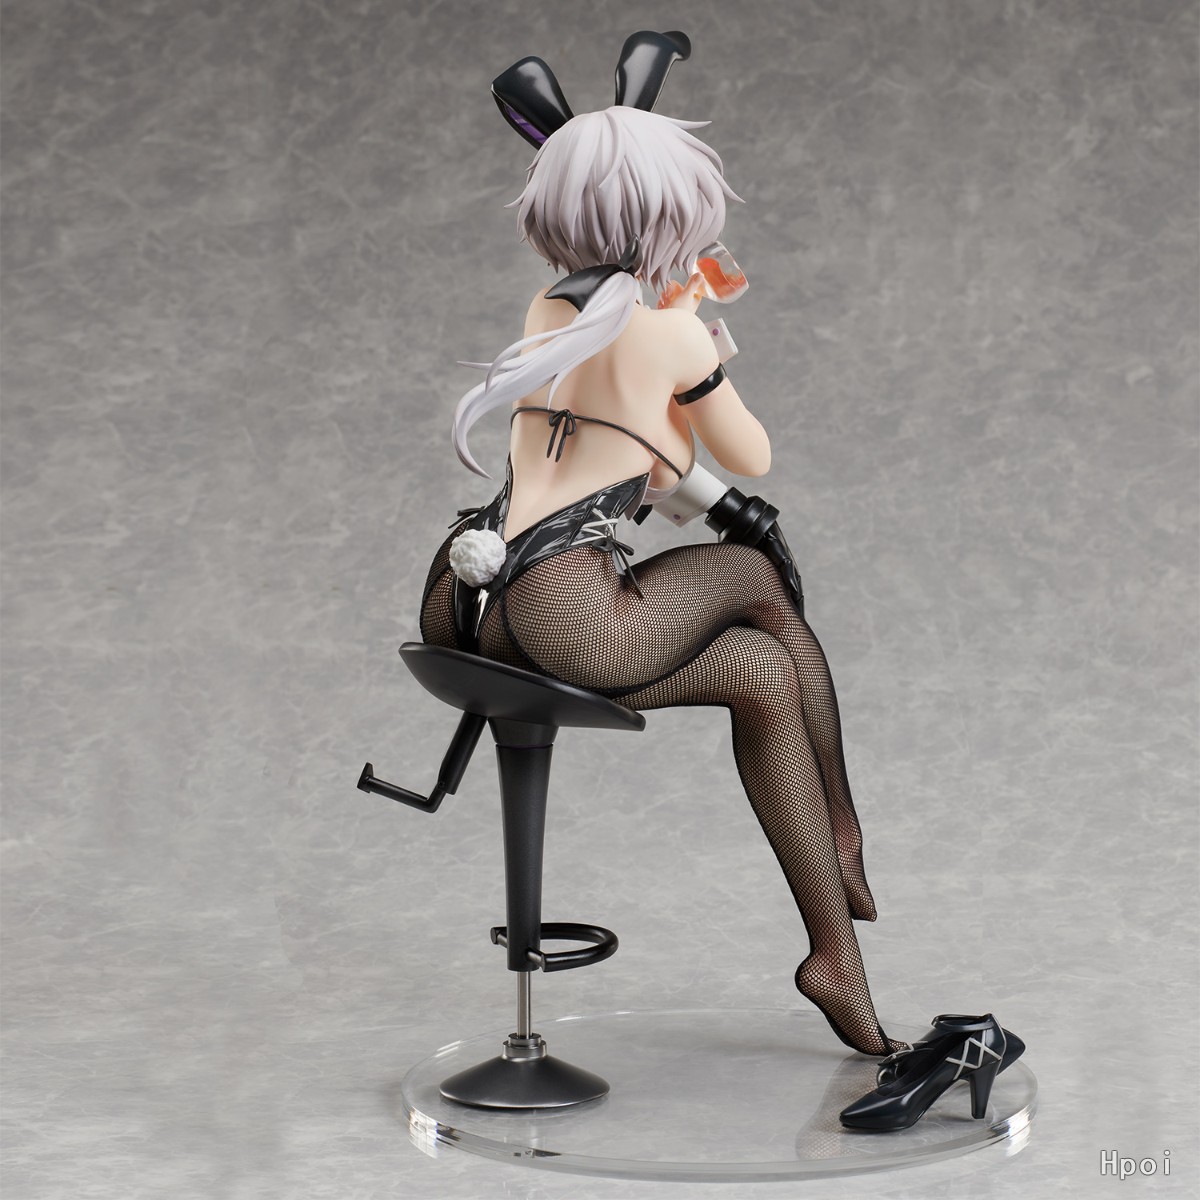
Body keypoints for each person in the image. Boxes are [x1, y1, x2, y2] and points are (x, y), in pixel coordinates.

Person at [419, 31, 904, 1057]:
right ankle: (845, 829)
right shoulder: (673, 334)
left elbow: (628, 440)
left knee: (762, 672)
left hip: (475, 604)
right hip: (571, 617)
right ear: (668, 215)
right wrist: (704, 337)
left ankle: (835, 955)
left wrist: (667, 323)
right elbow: (751, 455)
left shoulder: (550, 308)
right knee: (758, 571)